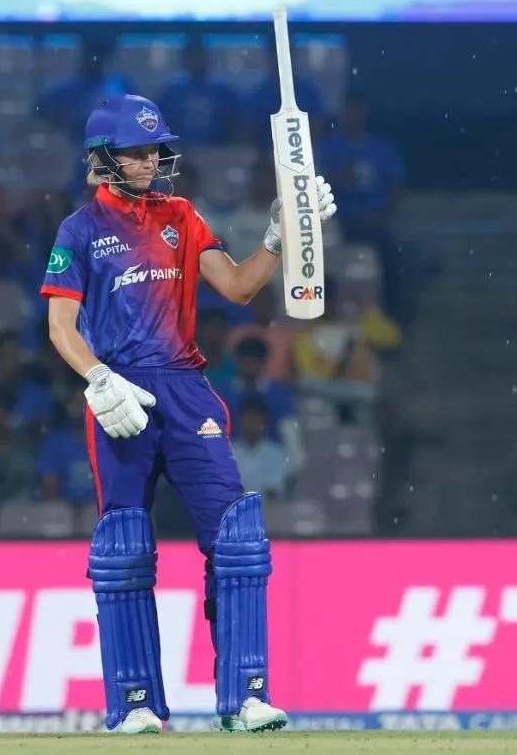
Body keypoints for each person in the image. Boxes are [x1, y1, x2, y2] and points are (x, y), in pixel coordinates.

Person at [40, 94, 336, 734]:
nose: (151, 161)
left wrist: (281, 236)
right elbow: (60, 325)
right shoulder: (79, 230)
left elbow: (237, 286)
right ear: (104, 157)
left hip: (185, 388)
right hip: (122, 398)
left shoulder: (181, 215)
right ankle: (134, 705)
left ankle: (245, 695)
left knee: (238, 537)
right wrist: (98, 379)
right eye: (138, 151)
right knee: (123, 547)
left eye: (154, 150)